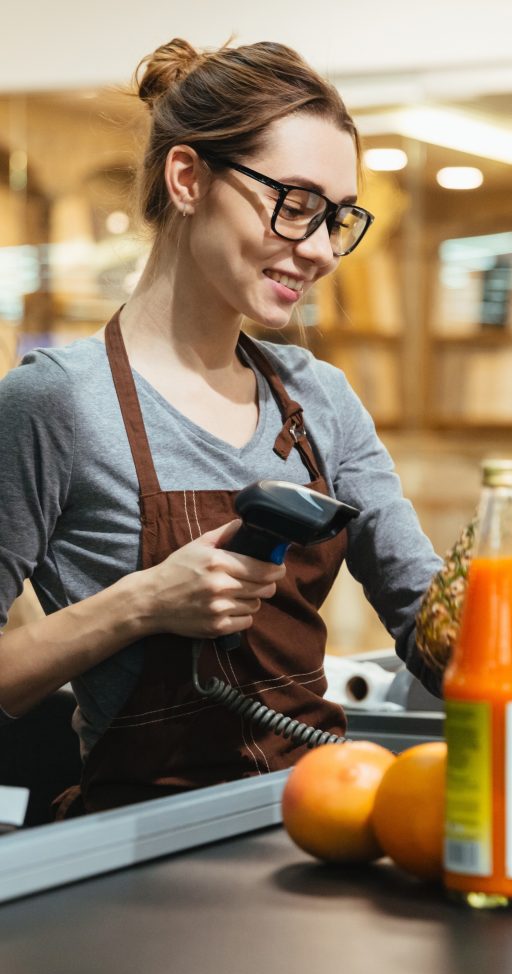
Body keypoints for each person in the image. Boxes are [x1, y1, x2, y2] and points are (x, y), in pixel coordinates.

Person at [0, 38, 442, 815]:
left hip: (317, 822)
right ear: (188, 178)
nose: (321, 250)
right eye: (295, 204)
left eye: (337, 218)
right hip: (137, 856)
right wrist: (146, 602)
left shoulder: (321, 400)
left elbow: (440, 643)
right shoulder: (56, 404)